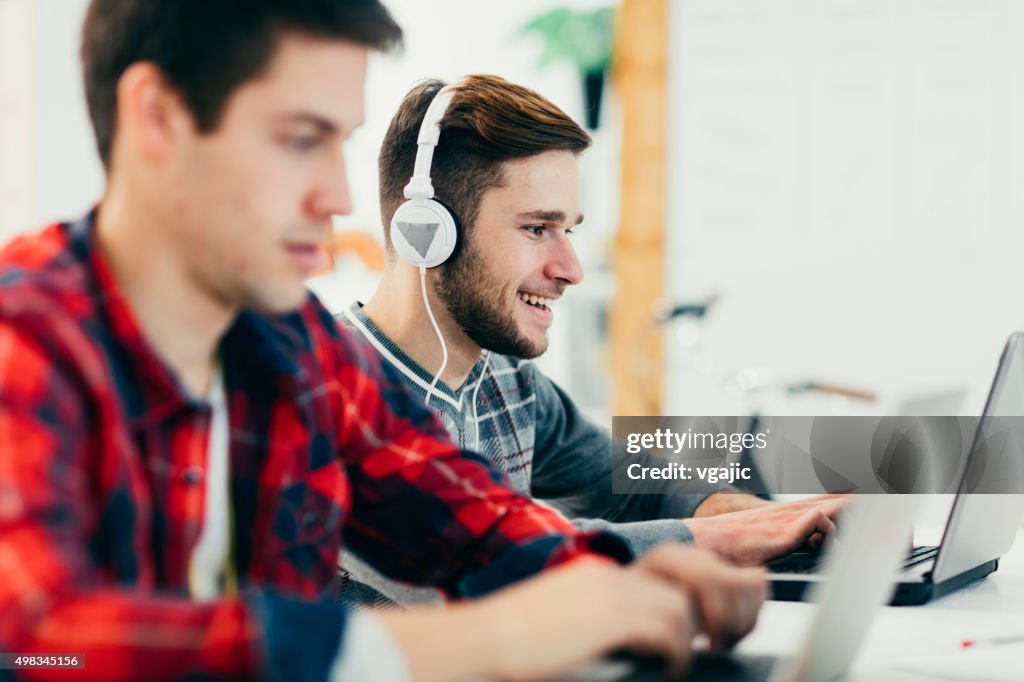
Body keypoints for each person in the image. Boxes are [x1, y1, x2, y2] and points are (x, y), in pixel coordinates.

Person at [0, 1, 766, 680]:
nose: (337, 198)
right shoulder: (27, 344)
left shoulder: (303, 351)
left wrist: (794, 491)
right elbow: (42, 646)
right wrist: (722, 532)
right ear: (159, 117)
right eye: (301, 139)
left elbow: (506, 514)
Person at [339, 75, 846, 604]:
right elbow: (499, 569)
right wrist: (728, 540)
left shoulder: (509, 383)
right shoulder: (334, 390)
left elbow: (642, 490)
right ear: (425, 231)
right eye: (538, 228)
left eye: (570, 231)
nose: (571, 270)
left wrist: (784, 521)